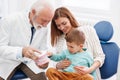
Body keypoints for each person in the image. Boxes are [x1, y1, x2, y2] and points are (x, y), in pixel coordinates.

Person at [0, 0, 55, 80]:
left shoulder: (44, 27)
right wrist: (21, 51)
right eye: (44, 20)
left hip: (30, 61)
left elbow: (42, 48)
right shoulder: (9, 20)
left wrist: (43, 62)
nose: (45, 25)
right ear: (33, 12)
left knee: (42, 78)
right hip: (8, 61)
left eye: (48, 21)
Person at [50, 7, 105, 80]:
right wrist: (58, 65)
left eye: (64, 23)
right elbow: (57, 58)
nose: (62, 28)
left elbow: (100, 56)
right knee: (50, 71)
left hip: (86, 75)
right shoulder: (60, 39)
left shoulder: (88, 30)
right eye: (58, 25)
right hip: (67, 76)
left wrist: (89, 69)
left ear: (70, 19)